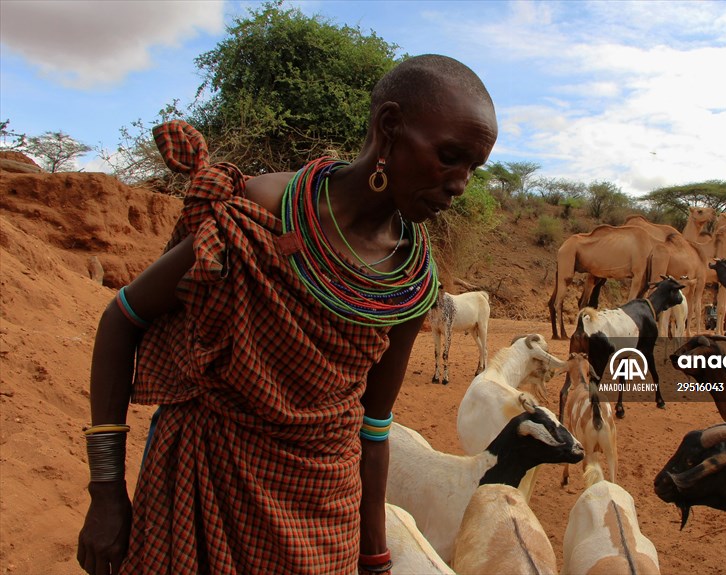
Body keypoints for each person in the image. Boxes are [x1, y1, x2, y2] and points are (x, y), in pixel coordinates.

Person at [76, 54, 498, 575]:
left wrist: (375, 556)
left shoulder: (409, 286)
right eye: (449, 156)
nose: (459, 185)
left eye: (471, 169)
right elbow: (121, 319)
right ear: (389, 128)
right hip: (198, 489)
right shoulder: (260, 211)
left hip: (321, 518)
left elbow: (373, 425)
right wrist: (106, 491)